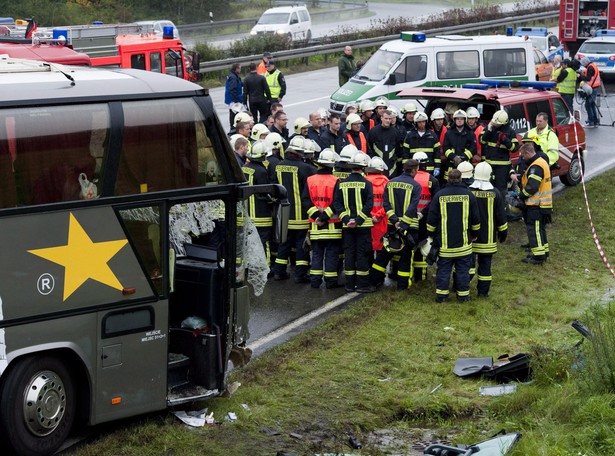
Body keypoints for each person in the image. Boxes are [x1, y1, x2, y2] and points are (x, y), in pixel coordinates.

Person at [426, 168, 480, 302]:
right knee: (462, 271)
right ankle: (463, 296)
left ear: (447, 179)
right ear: (461, 179)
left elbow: (431, 219)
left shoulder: (439, 195)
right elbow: (476, 219)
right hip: (464, 245)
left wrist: (431, 235)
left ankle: (442, 296)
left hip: (445, 245)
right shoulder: (469, 195)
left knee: (443, 271)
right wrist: (474, 234)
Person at [370, 159, 421, 290]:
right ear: (414, 170)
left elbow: (386, 204)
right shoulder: (415, 186)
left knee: (384, 254)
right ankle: (402, 286)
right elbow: (412, 207)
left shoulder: (390, 183)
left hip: (392, 226)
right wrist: (403, 223)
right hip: (408, 227)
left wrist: (394, 220)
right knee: (406, 255)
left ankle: (374, 280)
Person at [272, 138, 315, 282]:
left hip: (283, 214)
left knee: (284, 244)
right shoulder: (305, 168)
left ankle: (279, 272)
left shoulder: (278, 166)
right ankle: (300, 274)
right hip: (300, 215)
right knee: (301, 245)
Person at [332, 152, 375, 293]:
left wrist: (346, 219)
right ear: (363, 167)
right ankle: (362, 284)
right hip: (363, 225)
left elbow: (337, 204)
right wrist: (358, 220)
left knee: (349, 253)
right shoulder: (367, 184)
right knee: (362, 253)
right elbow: (369, 205)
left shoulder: (341, 184)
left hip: (347, 226)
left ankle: (349, 285)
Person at [302, 149, 343, 289]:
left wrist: (316, 217)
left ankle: (315, 281)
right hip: (332, 226)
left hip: (315, 226)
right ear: (331, 165)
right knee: (331, 254)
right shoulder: (335, 180)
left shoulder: (310, 180)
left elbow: (305, 201)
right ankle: (331, 282)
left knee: (317, 254)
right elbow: (337, 203)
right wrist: (325, 217)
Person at [468, 162, 508, 297]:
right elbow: (501, 216)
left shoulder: (468, 191)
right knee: (485, 267)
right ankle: (483, 293)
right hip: (488, 239)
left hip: (470, 238)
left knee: (467, 265)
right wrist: (503, 233)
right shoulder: (495, 193)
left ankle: (461, 287)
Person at [518, 142, 552, 264]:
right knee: (541, 230)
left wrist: (521, 196)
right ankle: (544, 252)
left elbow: (532, 187)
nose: (522, 158)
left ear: (528, 153)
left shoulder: (535, 166)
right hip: (543, 204)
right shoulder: (541, 162)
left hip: (536, 204)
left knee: (535, 231)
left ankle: (538, 257)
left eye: (523, 155)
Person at [242, 140, 274, 263]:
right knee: (263, 242)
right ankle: (264, 267)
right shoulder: (261, 171)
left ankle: (248, 265)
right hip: (261, 215)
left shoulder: (244, 168)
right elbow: (265, 192)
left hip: (246, 213)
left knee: (248, 242)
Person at [411, 152, 440, 282]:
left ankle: (401, 274)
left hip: (409, 217)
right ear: (426, 163)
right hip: (425, 218)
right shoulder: (432, 180)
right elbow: (435, 201)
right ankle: (421, 276)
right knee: (423, 246)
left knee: (408, 246)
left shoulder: (408, 178)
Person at [479, 109, 518, 196]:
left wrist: (505, 140)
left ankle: (501, 208)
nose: (495, 124)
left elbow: (514, 148)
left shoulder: (510, 132)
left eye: (497, 123)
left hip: (502, 167)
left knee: (500, 191)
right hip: (489, 165)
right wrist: (488, 131)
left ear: (503, 123)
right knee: (487, 189)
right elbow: (481, 141)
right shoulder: (490, 127)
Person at [441, 109, 476, 182]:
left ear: (465, 120)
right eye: (457, 119)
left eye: (461, 119)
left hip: (466, 164)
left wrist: (463, 157)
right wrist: (454, 157)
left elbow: (473, 148)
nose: (459, 121)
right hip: (451, 164)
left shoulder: (470, 133)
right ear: (454, 120)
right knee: (449, 182)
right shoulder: (449, 133)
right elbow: (445, 148)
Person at [402, 111, 440, 176]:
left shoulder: (433, 136)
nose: (422, 124)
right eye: (419, 122)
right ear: (416, 123)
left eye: (423, 122)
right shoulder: (410, 136)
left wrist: (437, 167)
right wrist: (406, 167)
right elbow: (405, 154)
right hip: (413, 170)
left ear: (426, 122)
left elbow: (437, 154)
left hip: (429, 169)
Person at [367, 109, 404, 177]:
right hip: (377, 166)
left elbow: (399, 149)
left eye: (390, 119)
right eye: (386, 118)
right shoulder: (373, 131)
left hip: (392, 167)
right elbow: (369, 148)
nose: (388, 120)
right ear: (381, 118)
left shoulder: (396, 132)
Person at [364, 156, 389, 252]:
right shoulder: (386, 182)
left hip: (366, 220)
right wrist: (378, 216)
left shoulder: (364, 181)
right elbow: (388, 203)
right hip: (382, 220)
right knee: (381, 249)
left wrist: (370, 216)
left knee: (367, 249)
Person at [579, 56, 601, 127]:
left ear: (585, 63)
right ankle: (595, 121)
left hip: (592, 88)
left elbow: (588, 78)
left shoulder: (590, 68)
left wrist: (580, 76)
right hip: (594, 87)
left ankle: (591, 121)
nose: (583, 66)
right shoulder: (593, 65)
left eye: (583, 64)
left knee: (588, 105)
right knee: (591, 104)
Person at [224, 63, 243, 131]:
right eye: (240, 68)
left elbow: (240, 83)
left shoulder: (233, 75)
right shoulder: (233, 77)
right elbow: (233, 89)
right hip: (233, 99)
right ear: (236, 69)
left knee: (233, 113)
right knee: (233, 114)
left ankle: (234, 127)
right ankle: (233, 128)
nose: (240, 70)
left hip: (231, 99)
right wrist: (236, 100)